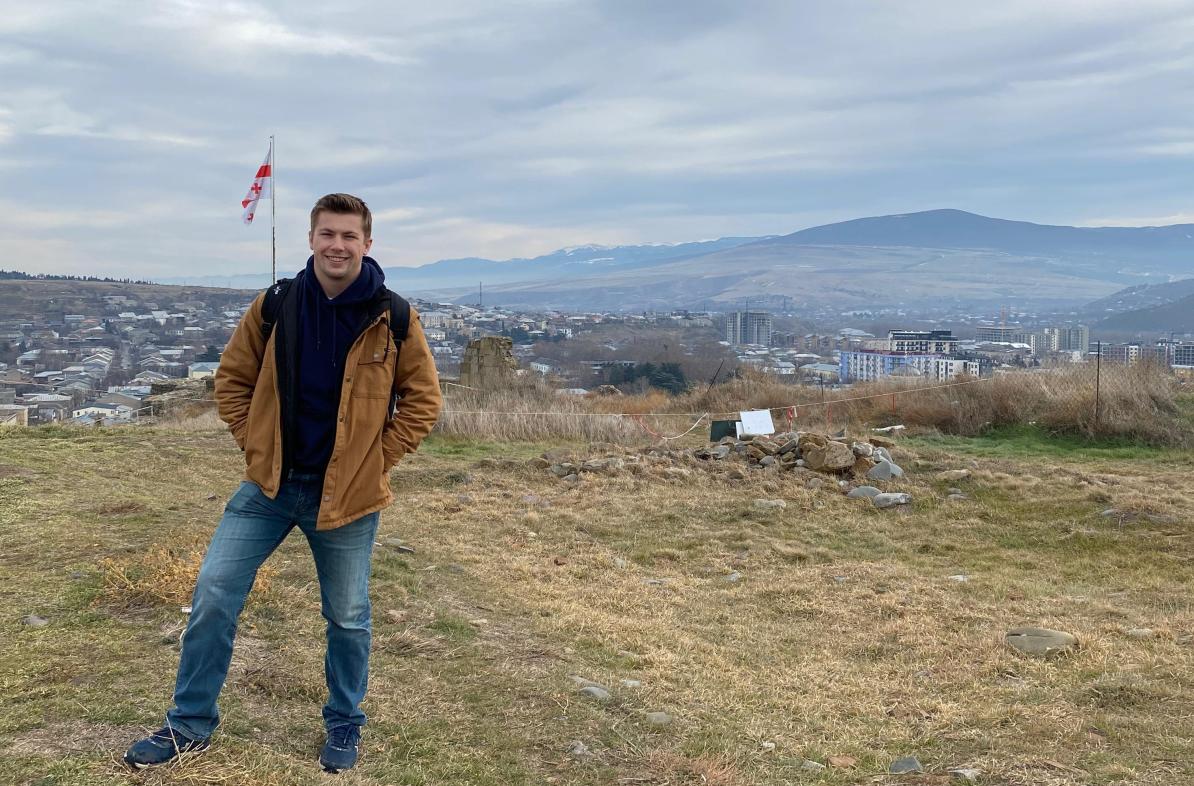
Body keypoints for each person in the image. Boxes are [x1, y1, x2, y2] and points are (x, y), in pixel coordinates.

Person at [124, 193, 443, 773]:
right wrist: (256, 443)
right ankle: (188, 724)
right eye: (327, 234)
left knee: (347, 615)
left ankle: (345, 725)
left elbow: (422, 401)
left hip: (347, 496)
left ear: (367, 244)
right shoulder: (275, 304)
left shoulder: (393, 316)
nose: (337, 245)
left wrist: (376, 461)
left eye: (349, 236)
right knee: (214, 594)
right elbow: (233, 379)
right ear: (312, 239)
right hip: (268, 488)